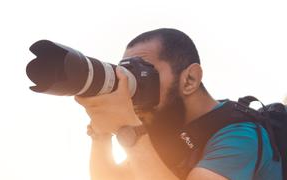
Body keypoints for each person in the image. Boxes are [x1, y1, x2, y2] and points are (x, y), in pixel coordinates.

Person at [75, 28, 282, 180]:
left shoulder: (240, 135)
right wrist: (100, 135)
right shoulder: (164, 128)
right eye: (129, 76)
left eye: (145, 74)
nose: (133, 88)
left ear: (190, 79)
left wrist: (129, 127)